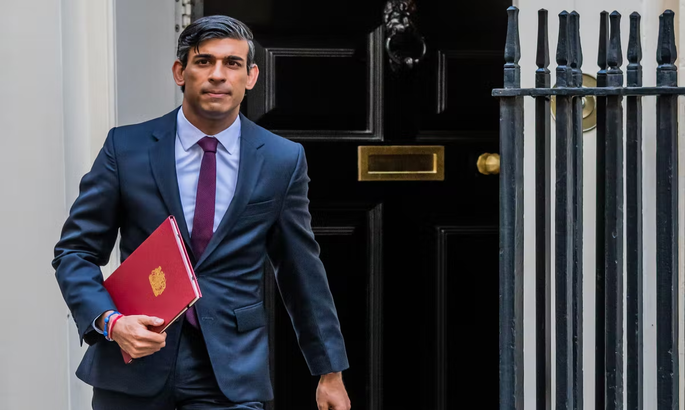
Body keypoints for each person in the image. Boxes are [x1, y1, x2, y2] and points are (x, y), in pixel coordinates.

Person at [53, 15, 351, 410]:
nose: (218, 75)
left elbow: (301, 271)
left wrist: (330, 371)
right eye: (204, 61)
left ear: (251, 76)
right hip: (134, 362)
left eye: (232, 63)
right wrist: (111, 321)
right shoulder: (126, 148)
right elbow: (75, 251)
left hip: (231, 371)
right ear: (180, 72)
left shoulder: (282, 159)